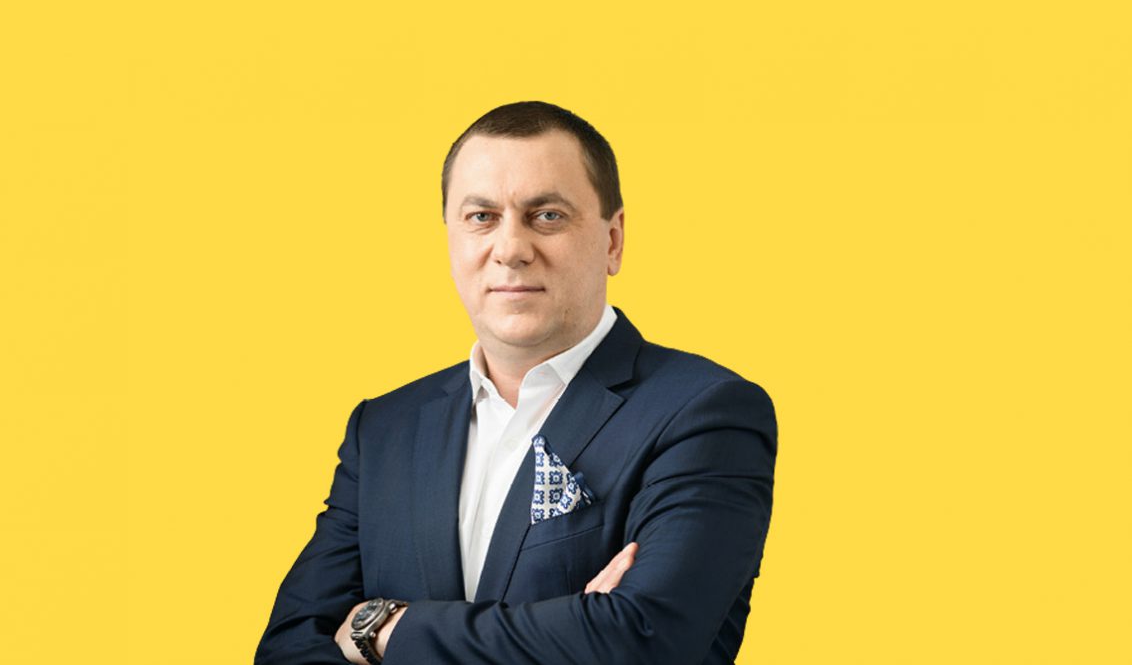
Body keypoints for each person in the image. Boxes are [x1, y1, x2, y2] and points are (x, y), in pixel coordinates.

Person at [254, 101, 778, 665]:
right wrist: (574, 627)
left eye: (547, 215)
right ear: (450, 238)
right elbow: (287, 648)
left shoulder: (705, 413)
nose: (510, 250)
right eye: (481, 217)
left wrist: (381, 629)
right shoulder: (384, 429)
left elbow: (642, 640)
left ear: (613, 240)